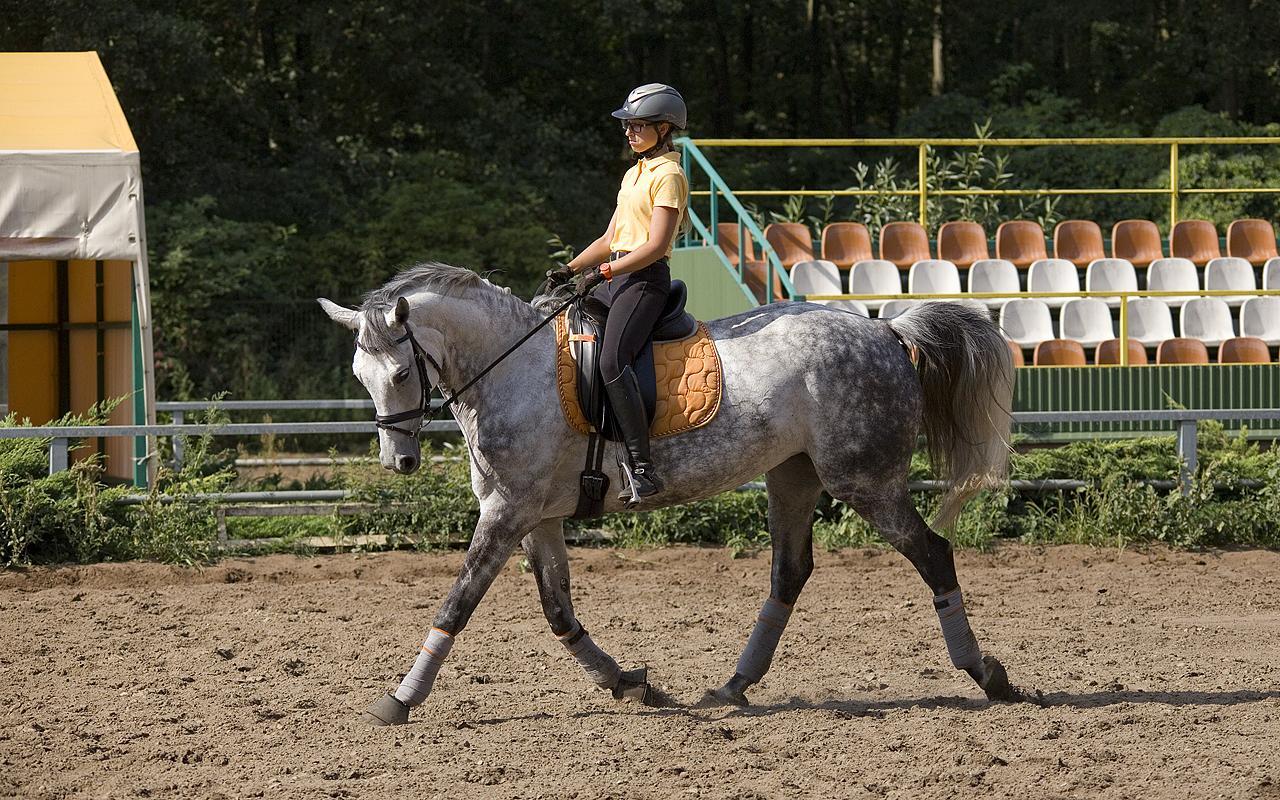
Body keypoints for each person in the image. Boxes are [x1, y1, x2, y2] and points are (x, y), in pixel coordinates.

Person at [542, 83, 690, 504]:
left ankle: (643, 468)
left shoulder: (669, 176)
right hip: (617, 275)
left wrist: (603, 271)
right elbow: (611, 236)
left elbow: (656, 245)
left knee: (612, 358)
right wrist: (569, 268)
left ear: (664, 129)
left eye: (638, 125)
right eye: (627, 124)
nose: (628, 132)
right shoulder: (634, 174)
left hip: (644, 281)